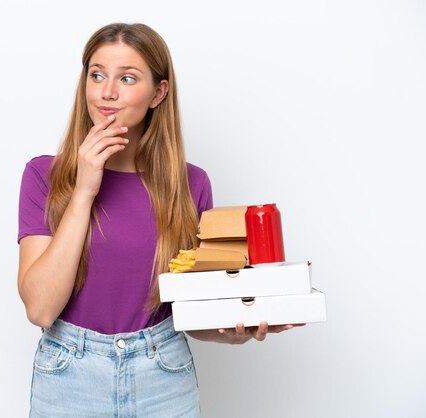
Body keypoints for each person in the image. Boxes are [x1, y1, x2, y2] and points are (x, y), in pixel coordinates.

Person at [17, 22, 298, 417]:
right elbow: (41, 309)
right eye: (96, 75)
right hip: (69, 377)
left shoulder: (191, 184)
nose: (107, 92)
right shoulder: (43, 176)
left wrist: (235, 330)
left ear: (158, 93)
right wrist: (84, 190)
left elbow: (187, 311)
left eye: (127, 78)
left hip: (162, 375)